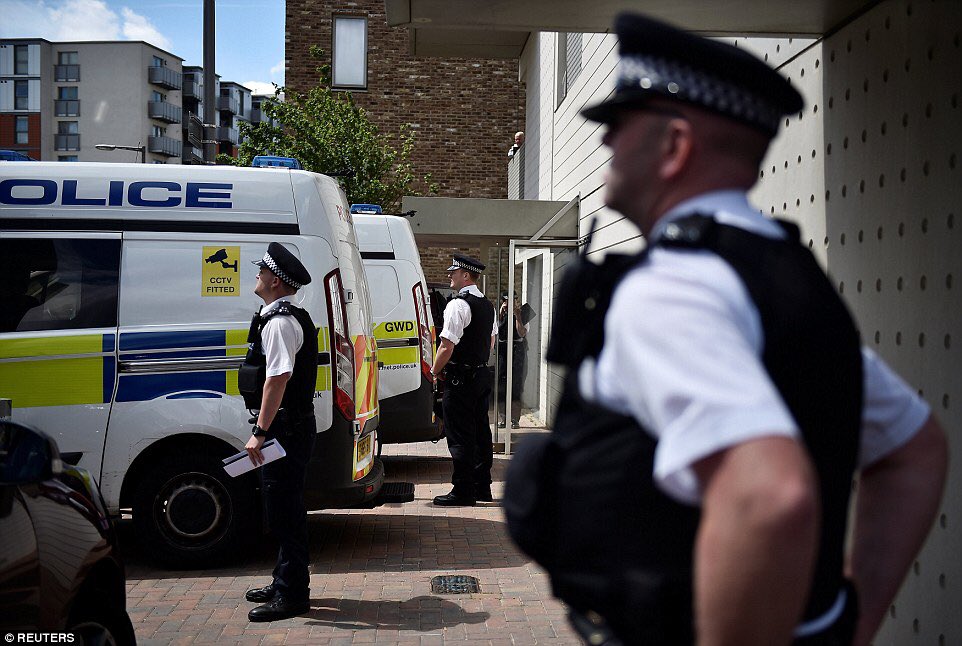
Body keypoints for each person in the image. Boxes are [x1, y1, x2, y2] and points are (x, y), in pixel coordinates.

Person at [505, 12, 947, 645]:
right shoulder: (787, 280)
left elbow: (768, 496)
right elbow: (915, 449)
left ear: (675, 146)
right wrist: (852, 624)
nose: (605, 144)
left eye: (620, 125)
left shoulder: (672, 288)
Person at [240, 242, 318, 622]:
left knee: (285, 513)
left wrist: (259, 431)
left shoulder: (280, 323)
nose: (256, 275)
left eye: (261, 271)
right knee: (283, 509)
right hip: (290, 429)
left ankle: (292, 595)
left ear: (274, 280)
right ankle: (283, 580)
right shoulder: (285, 316)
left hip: (285, 432)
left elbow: (277, 379)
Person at [430, 254, 497, 506]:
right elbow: (489, 343)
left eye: (453, 272)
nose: (450, 276)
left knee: (460, 435)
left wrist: (434, 371)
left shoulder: (458, 305)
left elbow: (446, 346)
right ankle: (483, 488)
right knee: (481, 432)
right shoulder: (487, 306)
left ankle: (463, 491)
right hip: (480, 375)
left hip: (461, 378)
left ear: (465, 276)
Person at [496, 291, 529, 429]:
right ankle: (503, 418)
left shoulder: (524, 311)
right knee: (502, 384)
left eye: (512, 300)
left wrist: (517, 315)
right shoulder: (499, 313)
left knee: (516, 384)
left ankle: (515, 419)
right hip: (503, 350)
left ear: (517, 300)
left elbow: (522, 332)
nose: (509, 303)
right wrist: (501, 314)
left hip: (518, 350)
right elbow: (495, 331)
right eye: (506, 300)